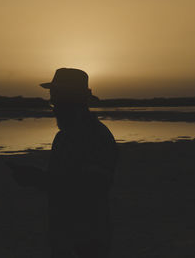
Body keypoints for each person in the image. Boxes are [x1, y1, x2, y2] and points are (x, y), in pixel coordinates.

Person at [8, 68, 118, 258]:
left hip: (88, 238)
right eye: (53, 101)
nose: (54, 108)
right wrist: (39, 178)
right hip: (65, 236)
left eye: (57, 101)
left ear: (73, 101)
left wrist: (38, 179)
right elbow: (65, 181)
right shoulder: (63, 137)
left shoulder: (96, 136)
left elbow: (92, 188)